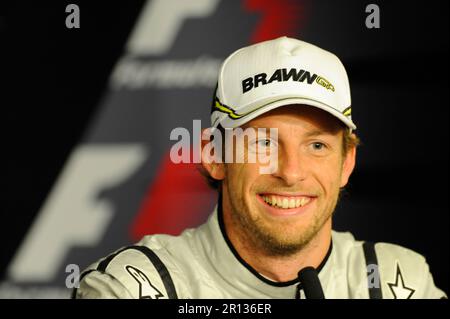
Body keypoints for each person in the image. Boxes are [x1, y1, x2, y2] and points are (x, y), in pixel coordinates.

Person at [73, 37, 446, 299]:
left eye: (317, 145)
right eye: (263, 143)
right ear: (214, 155)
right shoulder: (132, 287)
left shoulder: (398, 283)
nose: (291, 171)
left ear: (346, 163)